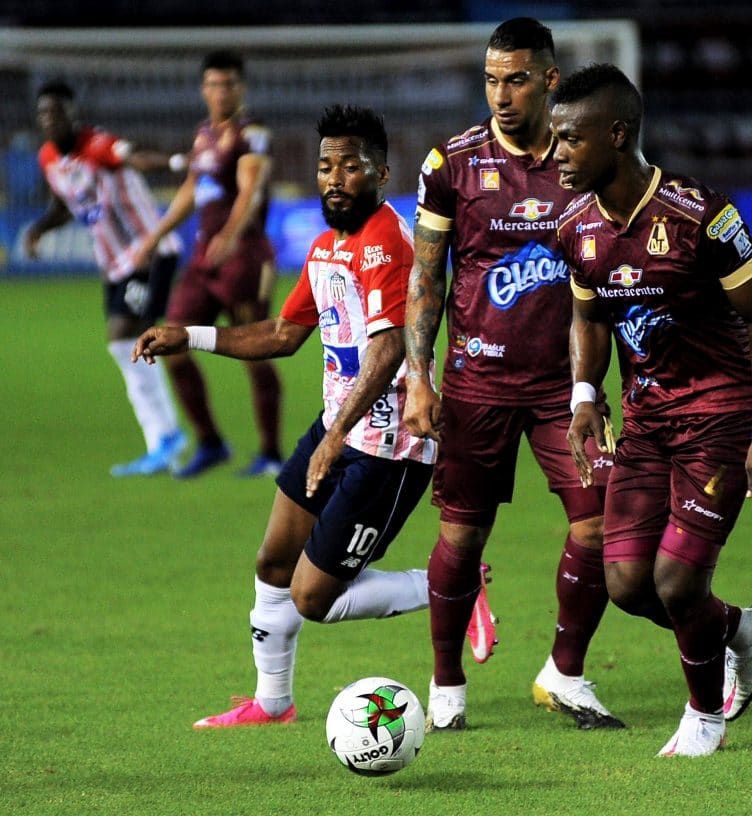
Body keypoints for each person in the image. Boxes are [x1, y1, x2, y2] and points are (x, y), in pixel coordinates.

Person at [134, 104, 475, 728]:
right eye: (325, 167)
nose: (334, 179)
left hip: (389, 445)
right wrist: (191, 335)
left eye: (350, 166)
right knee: (272, 562)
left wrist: (335, 435)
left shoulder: (389, 243)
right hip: (338, 428)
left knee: (313, 597)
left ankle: (454, 586)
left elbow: (389, 349)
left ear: (381, 173)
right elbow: (282, 334)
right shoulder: (325, 248)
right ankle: (273, 703)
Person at [551, 64, 752, 756]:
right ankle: (743, 630)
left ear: (617, 134)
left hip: (720, 417)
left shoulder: (701, 215)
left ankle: (704, 717)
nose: (556, 153)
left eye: (571, 139)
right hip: (647, 422)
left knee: (678, 580)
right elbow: (588, 316)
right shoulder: (575, 226)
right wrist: (584, 395)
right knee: (628, 584)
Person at [403, 18, 623, 731]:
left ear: (550, 80)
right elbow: (426, 278)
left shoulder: (584, 158)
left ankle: (565, 673)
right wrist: (418, 375)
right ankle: (446, 685)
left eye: (518, 79)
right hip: (478, 383)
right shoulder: (452, 164)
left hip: (568, 388)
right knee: (463, 536)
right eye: (492, 79)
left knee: (601, 525)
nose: (501, 94)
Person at [133, 50, 283, 478]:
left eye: (229, 84)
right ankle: (211, 442)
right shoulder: (203, 136)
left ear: (241, 88)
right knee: (171, 344)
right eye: (214, 84)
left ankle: (271, 453)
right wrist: (155, 236)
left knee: (255, 352)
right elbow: (191, 190)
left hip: (245, 259)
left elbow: (251, 188)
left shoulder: (251, 133)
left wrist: (230, 235)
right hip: (204, 261)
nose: (221, 92)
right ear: (204, 89)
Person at [26, 80, 186, 477]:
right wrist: (39, 229)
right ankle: (164, 440)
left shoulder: (98, 146)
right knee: (125, 345)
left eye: (58, 112)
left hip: (150, 254)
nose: (50, 119)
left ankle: (167, 437)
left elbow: (135, 157)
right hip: (115, 264)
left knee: (125, 337)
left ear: (72, 114)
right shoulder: (49, 158)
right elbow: (64, 204)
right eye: (44, 113)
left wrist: (176, 163)